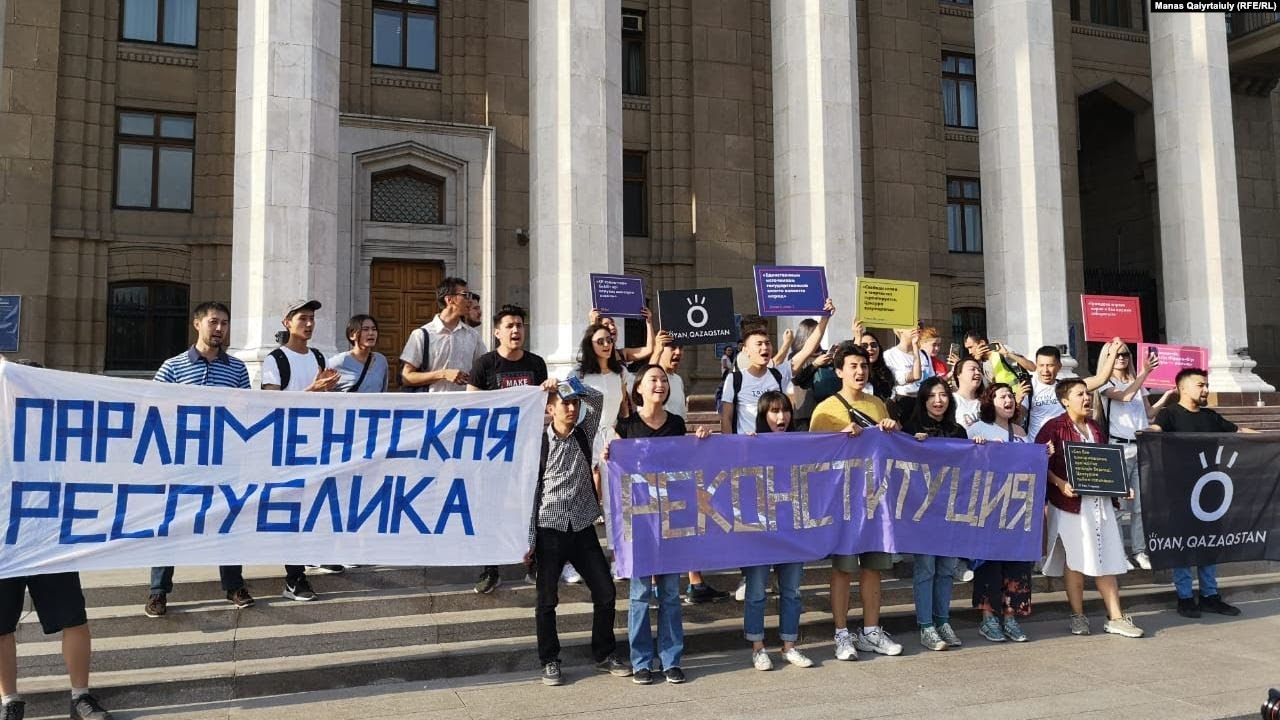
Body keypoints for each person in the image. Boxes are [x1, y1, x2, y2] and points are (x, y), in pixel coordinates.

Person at [1, 360, 114, 720]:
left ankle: (81, 697)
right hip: (4, 543)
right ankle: (9, 701)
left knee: (73, 618)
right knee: (1, 626)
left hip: (49, 540)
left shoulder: (62, 430)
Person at [145, 302, 256, 618]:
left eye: (224, 322)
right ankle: (158, 591)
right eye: (213, 322)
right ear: (197, 324)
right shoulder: (173, 367)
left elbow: (247, 409)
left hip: (225, 458)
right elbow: (154, 408)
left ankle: (234, 586)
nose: (219, 328)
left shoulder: (237, 369)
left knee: (228, 522)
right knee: (171, 524)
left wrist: (239, 403)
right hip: (184, 460)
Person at [606, 365, 707, 684]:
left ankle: (671, 658)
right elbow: (613, 468)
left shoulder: (676, 423)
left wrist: (700, 442)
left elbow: (686, 462)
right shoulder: (626, 425)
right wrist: (609, 453)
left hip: (670, 516)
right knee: (638, 594)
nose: (660, 384)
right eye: (653, 380)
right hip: (638, 519)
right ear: (639, 388)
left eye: (664, 380)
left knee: (670, 593)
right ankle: (641, 660)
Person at [527, 383, 631, 686]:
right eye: (564, 403)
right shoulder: (538, 442)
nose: (571, 408)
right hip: (550, 528)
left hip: (583, 525)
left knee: (605, 591)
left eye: (574, 403)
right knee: (546, 600)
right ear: (550, 410)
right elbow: (531, 493)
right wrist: (530, 540)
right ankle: (549, 660)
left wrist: (566, 384)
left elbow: (597, 397)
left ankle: (604, 653)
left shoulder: (584, 432)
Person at [808, 341, 903, 660]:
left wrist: (892, 428)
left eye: (863, 366)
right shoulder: (825, 410)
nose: (860, 371)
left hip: (876, 498)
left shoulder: (878, 404)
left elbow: (890, 449)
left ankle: (872, 631)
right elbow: (814, 458)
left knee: (874, 568)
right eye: (853, 366)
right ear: (838, 372)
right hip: (844, 501)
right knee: (844, 570)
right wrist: (838, 438)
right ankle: (841, 633)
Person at [1147, 368, 1258, 619]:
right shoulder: (1170, 415)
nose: (1206, 389)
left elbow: (1239, 432)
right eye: (1200, 385)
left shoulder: (1210, 416)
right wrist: (1143, 433)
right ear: (1182, 388)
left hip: (1210, 491)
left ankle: (1210, 596)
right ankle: (1185, 598)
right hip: (1180, 492)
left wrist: (1271, 437)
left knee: (1209, 543)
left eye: (1206, 384)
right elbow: (1155, 430)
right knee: (1183, 543)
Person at [1036, 379, 1143, 638]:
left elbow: (1106, 464)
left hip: (1100, 503)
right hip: (1070, 506)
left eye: (1087, 393)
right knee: (1075, 559)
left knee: (1106, 555)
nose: (1086, 398)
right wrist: (1060, 483)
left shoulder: (1095, 427)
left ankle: (1116, 616)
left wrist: (1120, 486)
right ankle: (1078, 615)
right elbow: (1038, 461)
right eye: (1079, 394)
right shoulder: (1053, 427)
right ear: (1065, 400)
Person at [261, 299, 340, 600]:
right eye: (303, 318)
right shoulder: (275, 359)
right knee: (291, 509)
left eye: (312, 319)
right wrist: (312, 391)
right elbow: (270, 402)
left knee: (315, 503)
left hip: (316, 443)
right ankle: (294, 577)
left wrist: (328, 390)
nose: (309, 324)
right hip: (287, 446)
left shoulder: (317, 356)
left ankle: (314, 553)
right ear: (287, 322)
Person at [469, 305, 550, 594]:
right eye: (510, 326)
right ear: (496, 331)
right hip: (496, 452)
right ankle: (490, 569)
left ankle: (534, 562)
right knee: (491, 508)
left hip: (530, 450)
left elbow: (545, 404)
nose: (516, 330)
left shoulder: (537, 363)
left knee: (533, 506)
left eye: (519, 325)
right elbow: (473, 407)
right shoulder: (484, 365)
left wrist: (548, 405)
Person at [742, 391, 814, 671]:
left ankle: (789, 646)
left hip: (792, 528)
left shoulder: (800, 444)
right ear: (763, 416)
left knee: (792, 590)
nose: (781, 417)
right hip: (759, 531)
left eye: (785, 411)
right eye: (774, 411)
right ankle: (758, 647)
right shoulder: (750, 444)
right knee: (757, 591)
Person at [903, 377, 974, 651]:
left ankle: (943, 620)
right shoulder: (912, 428)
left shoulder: (958, 431)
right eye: (932, 395)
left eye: (943, 394)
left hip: (950, 510)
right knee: (926, 569)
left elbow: (968, 466)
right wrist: (913, 446)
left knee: (946, 570)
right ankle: (926, 626)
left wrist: (976, 445)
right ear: (923, 400)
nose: (938, 400)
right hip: (922, 512)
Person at [562, 323, 635, 585]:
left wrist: (622, 432)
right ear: (590, 345)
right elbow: (561, 399)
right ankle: (570, 562)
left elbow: (626, 408)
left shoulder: (620, 373)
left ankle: (618, 558)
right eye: (600, 341)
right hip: (583, 436)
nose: (606, 344)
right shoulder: (578, 374)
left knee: (615, 501)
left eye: (609, 340)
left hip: (611, 439)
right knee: (575, 499)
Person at [967, 383, 1039, 643]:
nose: (1008, 400)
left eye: (1011, 396)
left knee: (1017, 564)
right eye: (1002, 396)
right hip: (989, 506)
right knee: (989, 563)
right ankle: (988, 619)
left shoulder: (1020, 431)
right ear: (990, 401)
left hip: (1018, 507)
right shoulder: (977, 429)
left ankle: (1011, 616)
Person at [1099, 344, 1172, 570]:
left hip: (1141, 445)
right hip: (1118, 447)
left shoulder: (1138, 383)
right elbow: (1125, 396)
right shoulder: (1107, 383)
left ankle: (1140, 551)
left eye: (1125, 354)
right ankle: (1119, 552)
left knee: (1141, 504)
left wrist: (1167, 396)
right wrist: (1145, 372)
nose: (1121, 358)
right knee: (1119, 504)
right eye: (1116, 354)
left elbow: (1148, 413)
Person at [720, 300, 834, 436]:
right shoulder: (734, 379)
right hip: (748, 450)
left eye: (767, 343)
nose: (764, 347)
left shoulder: (779, 374)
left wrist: (825, 318)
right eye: (759, 344)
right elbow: (726, 418)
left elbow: (807, 349)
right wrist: (729, 447)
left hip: (776, 447)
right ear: (746, 350)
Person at [400, 277, 486, 393]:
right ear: (449, 300)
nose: (470, 300)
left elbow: (485, 369)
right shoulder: (421, 334)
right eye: (465, 295)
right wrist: (443, 374)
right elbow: (407, 377)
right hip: (432, 406)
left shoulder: (473, 336)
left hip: (464, 406)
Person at [1027, 341, 1122, 441]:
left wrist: (1113, 353)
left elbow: (1101, 379)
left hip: (1066, 443)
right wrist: (1018, 400)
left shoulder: (1067, 387)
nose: (1045, 370)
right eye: (1041, 365)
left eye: (1050, 365)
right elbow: (1017, 419)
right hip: (1038, 447)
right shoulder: (1029, 387)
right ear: (1036, 366)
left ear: (1059, 366)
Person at [789, 318, 838, 430]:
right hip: (806, 411)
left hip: (828, 407)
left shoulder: (824, 353)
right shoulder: (796, 356)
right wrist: (815, 364)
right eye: (815, 334)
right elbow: (797, 379)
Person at [328, 314, 389, 393]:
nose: (371, 333)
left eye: (374, 329)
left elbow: (383, 391)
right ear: (352, 335)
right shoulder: (338, 361)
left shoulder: (381, 361)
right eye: (365, 329)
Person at [962, 331, 1034, 387]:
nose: (970, 352)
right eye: (967, 348)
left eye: (971, 347)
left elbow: (1032, 367)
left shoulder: (1001, 350)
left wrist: (1008, 354)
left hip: (1022, 397)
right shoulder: (981, 363)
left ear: (982, 343)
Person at [590, 307, 656, 367]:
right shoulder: (594, 355)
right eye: (606, 325)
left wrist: (648, 322)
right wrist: (593, 323)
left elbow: (649, 349)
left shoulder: (622, 354)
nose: (612, 327)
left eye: (613, 324)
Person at [882, 326, 934, 402]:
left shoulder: (924, 354)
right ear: (900, 329)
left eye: (918, 324)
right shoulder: (889, 355)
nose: (917, 327)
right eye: (911, 324)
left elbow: (932, 380)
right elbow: (900, 380)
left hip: (923, 401)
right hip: (902, 402)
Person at [853, 322, 895, 407]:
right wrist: (857, 338)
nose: (870, 348)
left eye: (873, 345)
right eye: (864, 346)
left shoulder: (886, 373)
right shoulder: (853, 374)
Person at [952, 356, 985, 428]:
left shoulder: (986, 402)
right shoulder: (951, 400)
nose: (977, 373)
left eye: (979, 370)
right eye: (972, 369)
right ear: (958, 374)